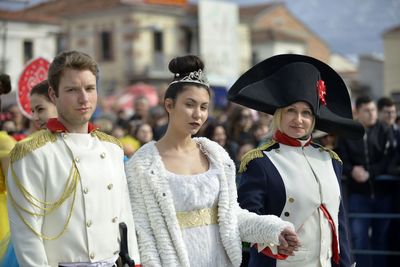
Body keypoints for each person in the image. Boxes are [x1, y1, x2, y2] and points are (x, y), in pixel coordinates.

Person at [125, 55, 300, 267]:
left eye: (204, 107)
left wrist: (275, 230)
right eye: (190, 104)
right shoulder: (143, 165)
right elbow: (142, 232)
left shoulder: (216, 155)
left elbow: (232, 217)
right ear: (169, 105)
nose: (197, 114)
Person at [6, 50, 140, 267]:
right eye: (72, 90)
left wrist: (135, 261)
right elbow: (27, 232)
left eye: (89, 88)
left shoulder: (113, 148)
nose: (84, 98)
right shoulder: (31, 153)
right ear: (53, 94)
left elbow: (125, 217)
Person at [228, 54, 364, 267]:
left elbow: (339, 224)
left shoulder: (330, 160)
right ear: (279, 114)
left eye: (306, 113)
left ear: (313, 119)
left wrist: (347, 264)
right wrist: (274, 236)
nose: (298, 120)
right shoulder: (260, 162)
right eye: (291, 110)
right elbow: (246, 221)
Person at [336, 95, 395, 267]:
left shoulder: (385, 130)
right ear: (358, 112)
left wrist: (370, 172)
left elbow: (389, 160)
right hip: (358, 194)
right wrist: (352, 170)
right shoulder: (348, 133)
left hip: (383, 193)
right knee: (358, 238)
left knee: (381, 238)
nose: (372, 114)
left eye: (373, 110)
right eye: (367, 111)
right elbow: (341, 159)